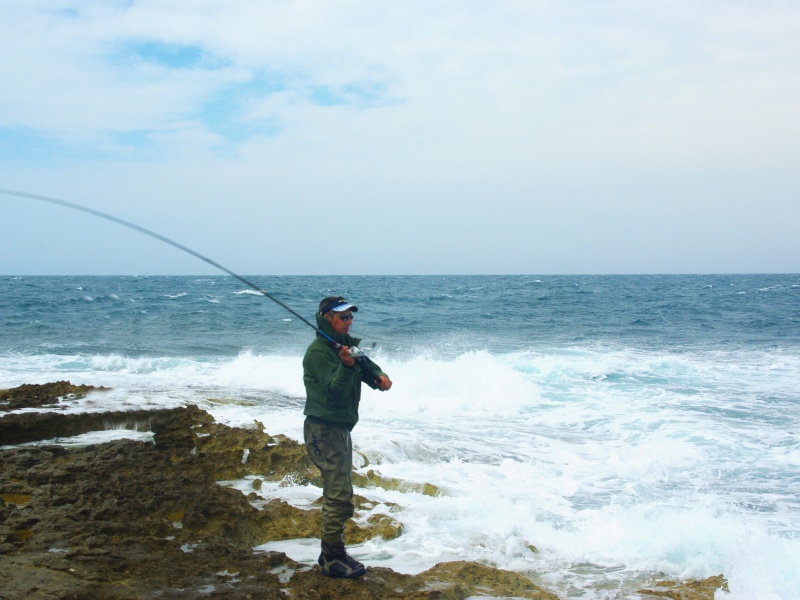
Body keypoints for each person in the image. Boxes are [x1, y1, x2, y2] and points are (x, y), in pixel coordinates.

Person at [302, 296, 392, 579]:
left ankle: (331, 551)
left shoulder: (347, 346)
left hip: (340, 428)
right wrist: (345, 366)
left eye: (351, 316)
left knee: (340, 491)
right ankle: (332, 557)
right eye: (343, 317)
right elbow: (334, 392)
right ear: (327, 318)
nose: (349, 321)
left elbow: (366, 365)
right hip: (324, 429)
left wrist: (379, 377)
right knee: (339, 495)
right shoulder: (317, 353)